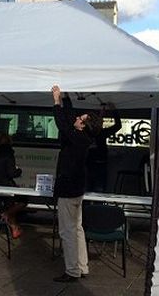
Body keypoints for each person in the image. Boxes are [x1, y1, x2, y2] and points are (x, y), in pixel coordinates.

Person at [51, 85, 102, 283]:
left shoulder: (77, 137)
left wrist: (57, 101)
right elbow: (69, 118)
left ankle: (72, 270)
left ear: (82, 126)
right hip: (77, 190)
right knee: (77, 228)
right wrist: (67, 98)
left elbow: (62, 123)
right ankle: (82, 266)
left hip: (68, 190)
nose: (78, 117)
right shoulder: (84, 137)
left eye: (81, 118)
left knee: (67, 231)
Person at [0, 133, 26, 239]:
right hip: (7, 185)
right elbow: (12, 173)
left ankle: (14, 228)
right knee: (23, 201)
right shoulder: (9, 154)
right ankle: (6, 214)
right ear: (10, 142)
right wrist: (19, 170)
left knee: (9, 204)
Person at [87, 103, 122, 192]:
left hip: (91, 164)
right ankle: (95, 204)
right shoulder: (98, 133)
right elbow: (117, 125)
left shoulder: (88, 132)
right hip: (96, 164)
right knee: (96, 189)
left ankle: (90, 204)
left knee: (90, 189)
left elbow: (117, 126)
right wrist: (113, 111)